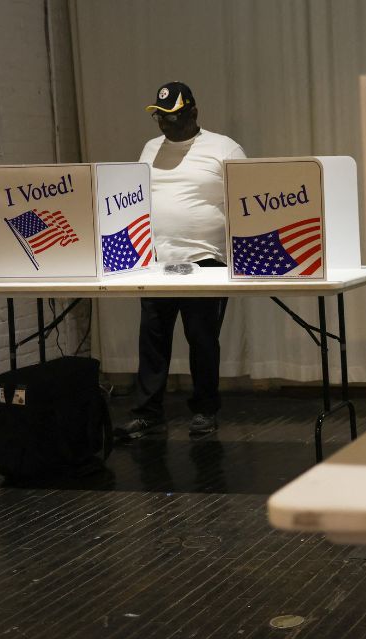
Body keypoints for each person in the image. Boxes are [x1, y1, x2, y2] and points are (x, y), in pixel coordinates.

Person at [115, 82, 246, 440]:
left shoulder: (223, 148)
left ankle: (205, 410)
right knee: (153, 338)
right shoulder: (150, 149)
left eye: (173, 116)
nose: (165, 124)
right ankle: (148, 413)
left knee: (202, 339)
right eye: (159, 116)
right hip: (156, 259)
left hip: (207, 259)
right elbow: (135, 197)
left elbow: (246, 200)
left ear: (193, 112)